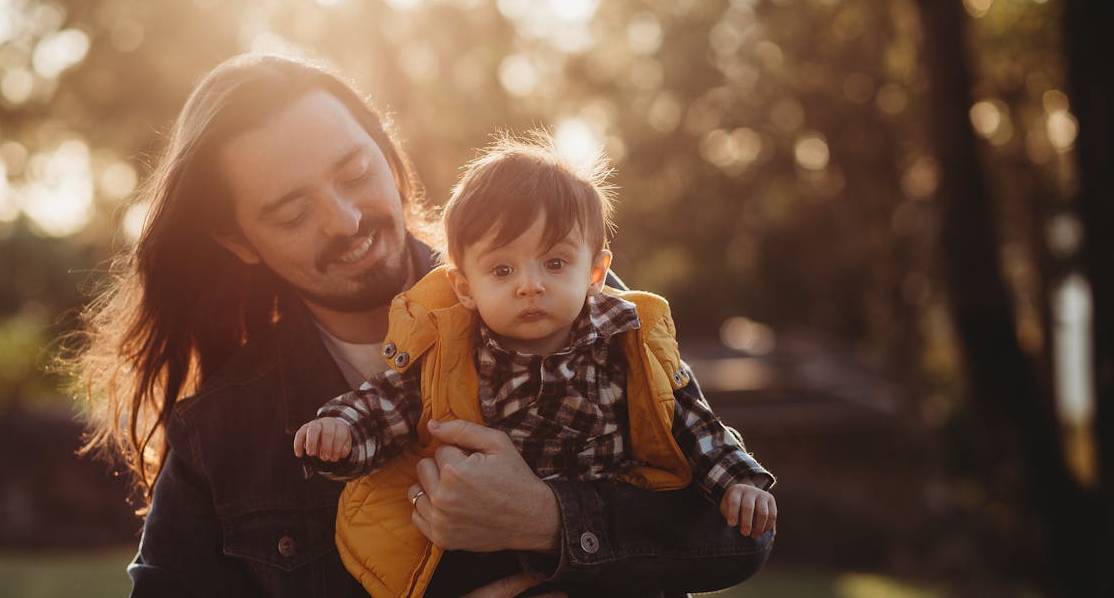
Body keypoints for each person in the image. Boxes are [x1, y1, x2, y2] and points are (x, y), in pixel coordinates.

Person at [68, 52, 774, 598]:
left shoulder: (574, 307)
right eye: (290, 211)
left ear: (389, 152)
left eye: (354, 170)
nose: (345, 219)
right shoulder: (221, 429)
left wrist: (549, 518)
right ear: (240, 241)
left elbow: (739, 533)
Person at [294, 135, 777, 597]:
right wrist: (343, 431)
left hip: (610, 563)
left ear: (595, 272)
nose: (529, 285)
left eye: (555, 263)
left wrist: (740, 481)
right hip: (485, 559)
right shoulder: (449, 354)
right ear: (465, 287)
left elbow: (694, 424)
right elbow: (387, 403)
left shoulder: (629, 344)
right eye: (502, 270)